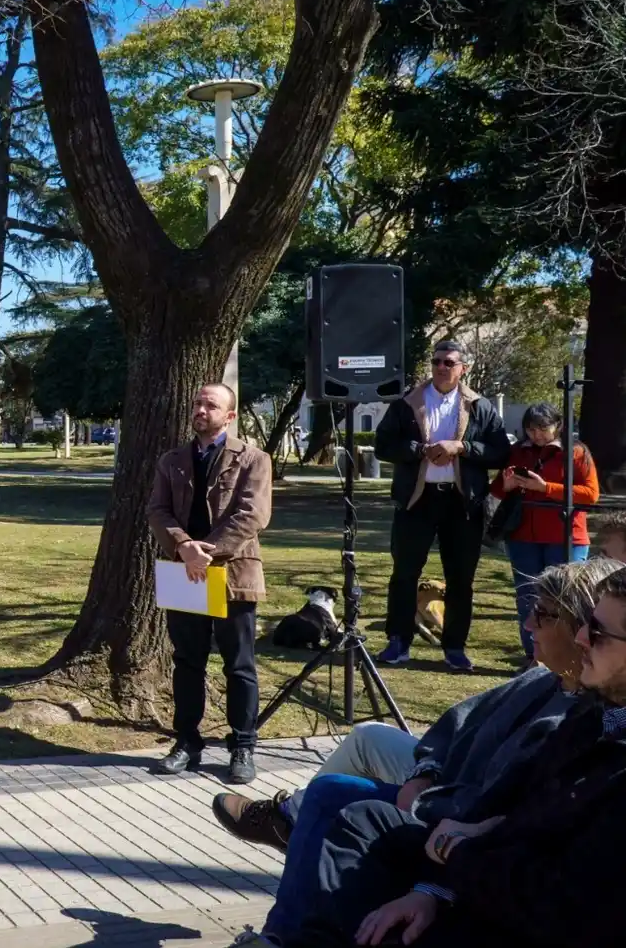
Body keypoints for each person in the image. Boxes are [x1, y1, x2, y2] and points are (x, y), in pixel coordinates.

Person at [222, 558, 619, 948]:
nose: (528, 624)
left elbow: (543, 865)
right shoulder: (549, 688)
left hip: (471, 841)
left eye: (545, 616)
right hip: (459, 822)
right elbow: (460, 726)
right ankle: (290, 884)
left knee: (331, 796)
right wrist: (424, 772)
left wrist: (443, 871)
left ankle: (285, 879)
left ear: (576, 625)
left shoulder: (587, 722)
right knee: (363, 768)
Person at [146, 383, 273, 785]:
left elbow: (253, 515)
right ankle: (187, 742)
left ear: (229, 416)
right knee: (187, 662)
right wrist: (184, 547)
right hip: (185, 571)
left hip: (233, 572)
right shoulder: (172, 460)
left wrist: (209, 551)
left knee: (239, 665)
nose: (200, 409)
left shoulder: (254, 459)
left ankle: (243, 746)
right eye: (198, 402)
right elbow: (157, 510)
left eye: (210, 404)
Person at [374, 340, 510, 672]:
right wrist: (420, 449)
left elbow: (499, 452)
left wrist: (461, 447)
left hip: (462, 502)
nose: (440, 367)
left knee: (461, 578)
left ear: (464, 367)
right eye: (436, 361)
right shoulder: (408, 403)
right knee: (404, 574)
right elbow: (383, 446)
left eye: (449, 362)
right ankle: (398, 642)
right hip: (417, 499)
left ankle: (454, 648)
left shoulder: (480, 406)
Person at [490, 401, 600, 668]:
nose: (536, 435)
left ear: (558, 426)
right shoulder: (518, 452)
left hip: (564, 535)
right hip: (522, 536)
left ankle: (571, 657)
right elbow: (497, 491)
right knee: (528, 596)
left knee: (567, 598)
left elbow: (590, 494)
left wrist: (546, 487)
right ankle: (534, 656)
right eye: (530, 429)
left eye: (542, 428)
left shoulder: (576, 453)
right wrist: (506, 485)